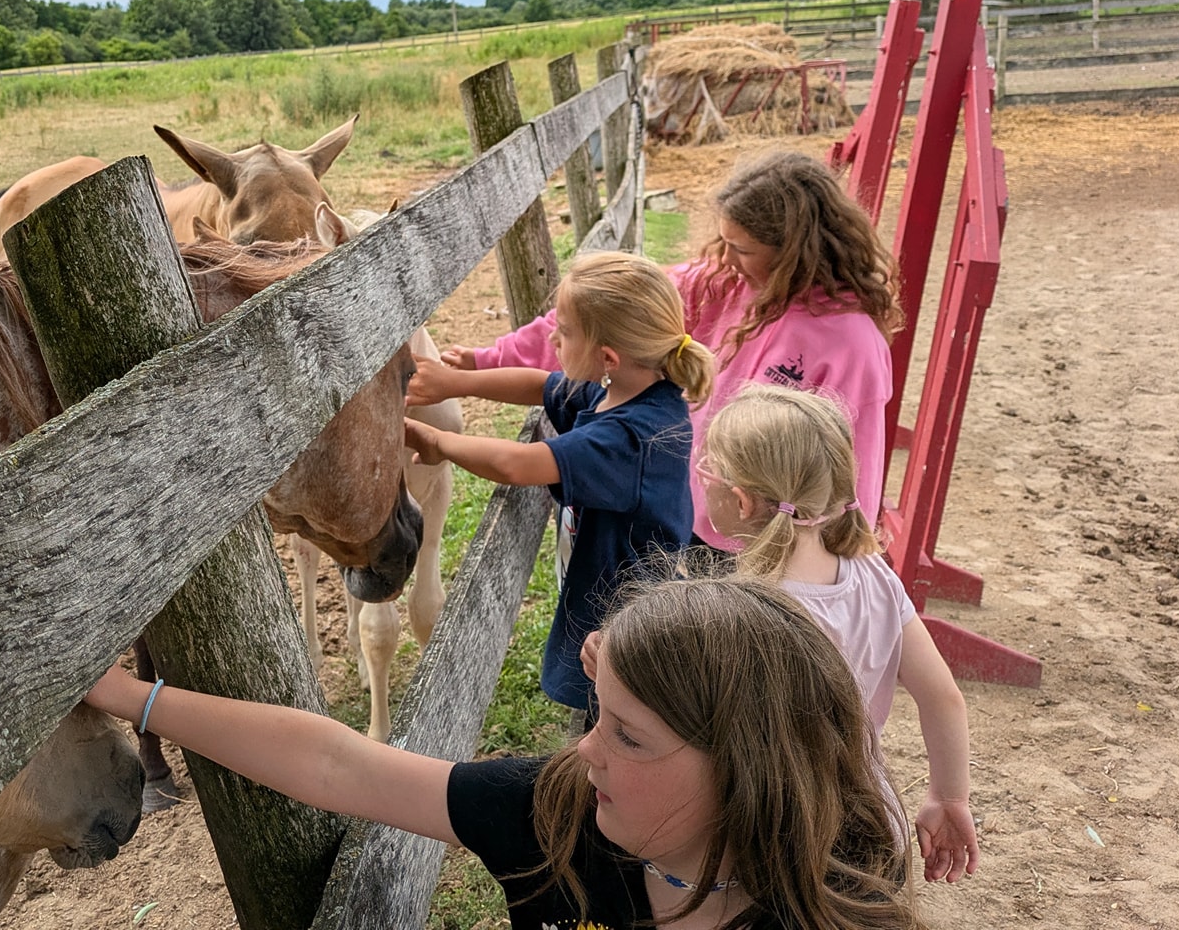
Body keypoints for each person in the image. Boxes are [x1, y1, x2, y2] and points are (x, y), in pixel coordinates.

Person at [84, 578, 921, 930]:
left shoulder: (837, 898)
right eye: (602, 715)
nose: (585, 751)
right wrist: (134, 699)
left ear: (751, 770)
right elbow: (340, 767)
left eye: (626, 734)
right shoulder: (558, 816)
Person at [444, 151, 900, 549]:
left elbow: (852, 469)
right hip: (693, 520)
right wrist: (488, 358)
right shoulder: (725, 282)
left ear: (795, 249)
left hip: (760, 549)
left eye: (741, 248)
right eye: (723, 243)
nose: (727, 257)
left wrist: (834, 558)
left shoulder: (850, 343)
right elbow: (601, 310)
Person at [403, 250, 712, 717]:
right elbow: (539, 384)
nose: (551, 337)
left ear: (607, 357)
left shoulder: (630, 439)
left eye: (564, 331)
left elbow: (517, 464)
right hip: (611, 602)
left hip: (629, 628)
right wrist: (458, 383)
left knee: (616, 718)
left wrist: (440, 442)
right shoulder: (624, 389)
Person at [697, 384, 978, 884]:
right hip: (873, 829)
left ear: (740, 501)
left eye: (706, 472)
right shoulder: (872, 571)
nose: (701, 481)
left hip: (784, 841)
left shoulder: (746, 611)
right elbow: (944, 698)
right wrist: (949, 798)